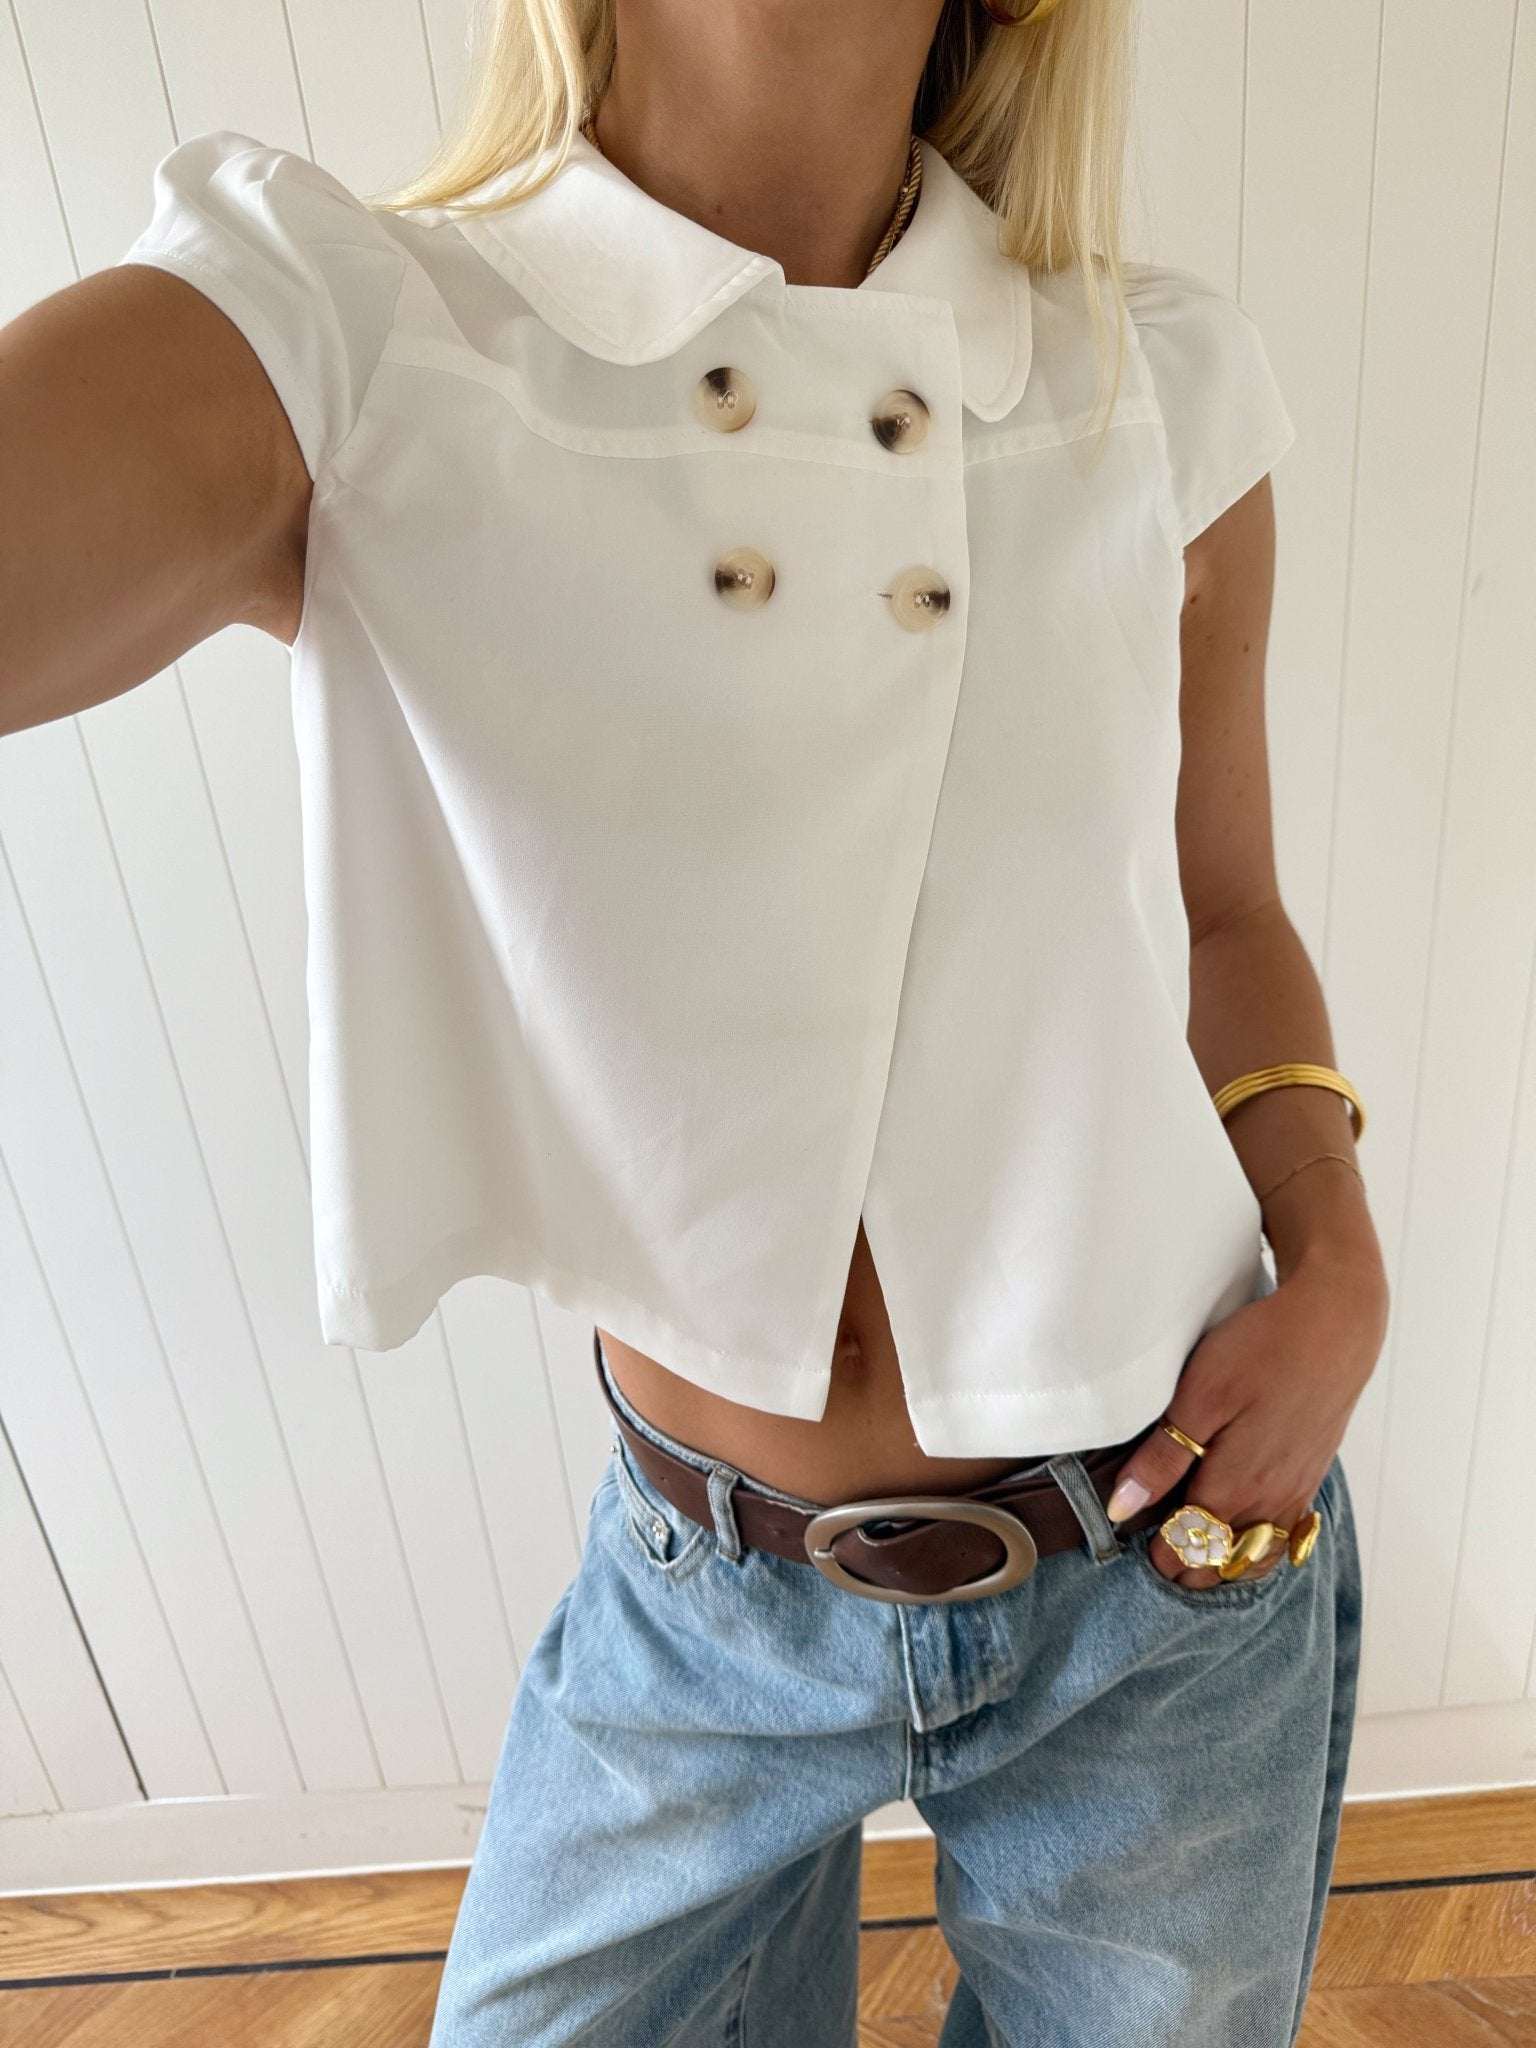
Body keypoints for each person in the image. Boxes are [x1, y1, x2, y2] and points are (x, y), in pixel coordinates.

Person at [0, 0, 1389, 2041]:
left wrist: (1337, 1269)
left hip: (1172, 1556)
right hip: (704, 1594)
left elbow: (1227, 913)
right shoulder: (365, 334)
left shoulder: (1152, 381)